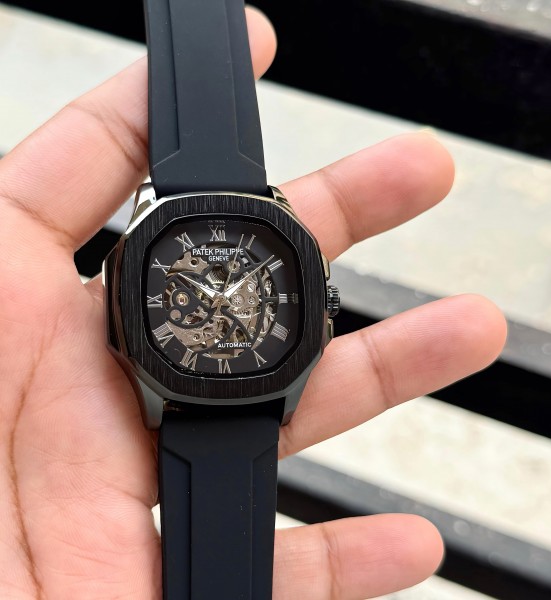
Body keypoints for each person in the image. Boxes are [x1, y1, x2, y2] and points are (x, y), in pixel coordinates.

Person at [0, 8, 506, 599]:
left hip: (227, 386)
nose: (216, 298)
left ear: (319, 302)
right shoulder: (206, 272)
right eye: (204, 292)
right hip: (188, 386)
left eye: (227, 291)